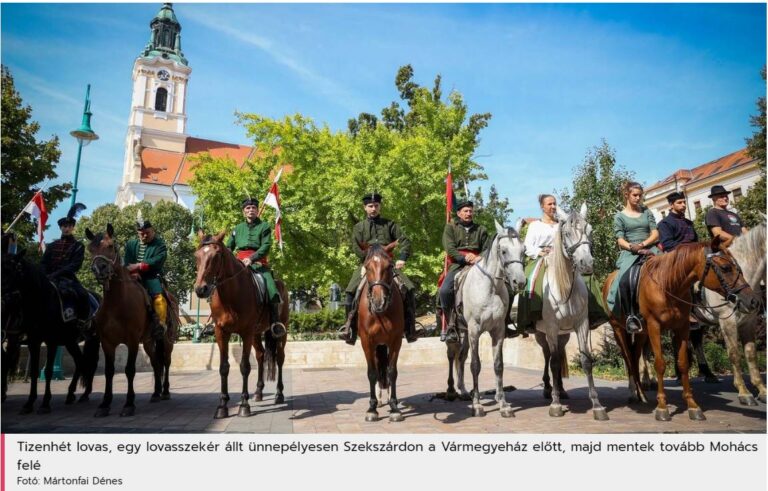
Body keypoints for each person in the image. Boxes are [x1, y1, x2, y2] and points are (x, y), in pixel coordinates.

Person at [339, 192, 418, 345]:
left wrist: (402, 257)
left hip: (387, 265)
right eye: (370, 206)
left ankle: (410, 328)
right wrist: (367, 259)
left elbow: (405, 241)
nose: (373, 208)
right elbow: (355, 246)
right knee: (350, 292)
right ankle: (350, 329)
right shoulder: (359, 227)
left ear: (380, 206)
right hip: (367, 264)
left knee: (409, 289)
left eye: (376, 206)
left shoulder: (390, 225)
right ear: (365, 208)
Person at [439, 199, 517, 342]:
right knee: (444, 291)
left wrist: (478, 257)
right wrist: (464, 259)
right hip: (458, 264)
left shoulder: (481, 229)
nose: (469, 213)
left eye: (470, 211)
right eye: (465, 211)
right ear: (459, 213)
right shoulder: (450, 228)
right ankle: (451, 324)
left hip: (480, 264)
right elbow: (449, 248)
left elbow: (488, 248)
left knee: (508, 289)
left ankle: (505, 322)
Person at [607, 182, 660, 334]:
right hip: (631, 253)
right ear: (627, 196)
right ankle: (631, 316)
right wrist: (632, 247)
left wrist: (643, 244)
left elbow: (655, 233)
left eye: (640, 195)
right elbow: (619, 239)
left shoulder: (646, 212)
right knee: (624, 280)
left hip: (650, 249)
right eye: (634, 195)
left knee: (674, 270)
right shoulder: (619, 216)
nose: (638, 198)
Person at [227, 198, 285, 336]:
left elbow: (266, 246)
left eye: (253, 208)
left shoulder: (264, 226)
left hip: (258, 264)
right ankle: (217, 319)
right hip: (239, 263)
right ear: (243, 211)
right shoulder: (237, 228)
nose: (250, 210)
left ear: (257, 211)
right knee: (222, 284)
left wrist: (251, 259)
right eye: (248, 208)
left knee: (271, 289)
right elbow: (229, 247)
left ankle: (275, 321)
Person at [517, 194, 559, 336]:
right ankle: (529, 317)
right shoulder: (535, 225)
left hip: (560, 259)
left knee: (582, 276)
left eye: (554, 204)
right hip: (541, 258)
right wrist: (540, 252)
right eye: (549, 204)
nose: (553, 206)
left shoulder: (562, 225)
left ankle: (589, 312)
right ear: (542, 207)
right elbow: (528, 246)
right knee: (530, 279)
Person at [40, 203, 89, 323]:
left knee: (83, 294)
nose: (66, 229)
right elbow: (43, 263)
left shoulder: (78, 246)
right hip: (48, 278)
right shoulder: (51, 246)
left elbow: (75, 265)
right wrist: (44, 275)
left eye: (69, 226)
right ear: (60, 228)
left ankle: (83, 322)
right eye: (64, 226)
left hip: (68, 279)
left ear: (73, 228)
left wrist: (56, 274)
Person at [124, 219, 168, 340]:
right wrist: (132, 271)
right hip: (131, 277)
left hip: (151, 277)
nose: (144, 235)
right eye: (141, 233)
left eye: (147, 232)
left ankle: (160, 324)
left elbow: (158, 260)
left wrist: (139, 266)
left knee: (159, 298)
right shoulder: (131, 244)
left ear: (153, 231)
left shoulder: (160, 244)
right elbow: (127, 261)